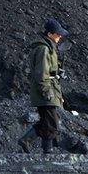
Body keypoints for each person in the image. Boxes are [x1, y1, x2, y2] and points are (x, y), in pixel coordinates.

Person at [18, 19, 68, 153]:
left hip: (49, 89)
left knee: (48, 122)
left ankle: (38, 146)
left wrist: (58, 72)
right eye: (57, 34)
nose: (60, 36)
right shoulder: (44, 49)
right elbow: (41, 73)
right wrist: (46, 91)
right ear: (50, 34)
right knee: (52, 123)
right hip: (46, 90)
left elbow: (48, 69)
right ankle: (45, 149)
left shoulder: (48, 47)